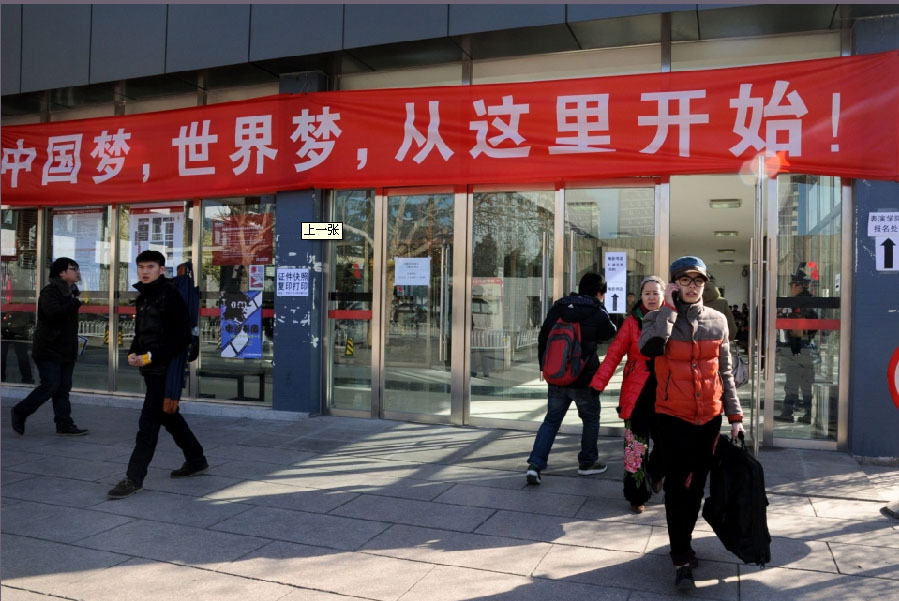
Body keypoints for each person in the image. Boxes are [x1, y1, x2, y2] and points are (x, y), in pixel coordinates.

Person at [639, 256, 744, 591]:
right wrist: (668, 310)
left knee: (696, 488)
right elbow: (650, 349)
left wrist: (735, 416)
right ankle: (681, 558)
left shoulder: (718, 321)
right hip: (672, 417)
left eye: (697, 280)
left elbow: (725, 373)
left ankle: (682, 541)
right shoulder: (656, 318)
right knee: (677, 489)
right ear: (674, 284)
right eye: (684, 280)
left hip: (709, 418)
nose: (692, 286)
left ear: (705, 284)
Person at [107, 250, 207, 499]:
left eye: (150, 266)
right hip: (151, 368)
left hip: (164, 369)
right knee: (169, 416)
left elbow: (181, 337)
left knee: (148, 424)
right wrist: (133, 352)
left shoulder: (169, 295)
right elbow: (142, 332)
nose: (144, 271)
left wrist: (150, 356)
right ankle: (196, 459)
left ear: (162, 270)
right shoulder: (145, 296)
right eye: (141, 266)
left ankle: (133, 478)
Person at [526, 272, 617, 485]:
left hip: (557, 377)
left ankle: (535, 465)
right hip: (584, 378)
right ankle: (587, 462)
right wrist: (601, 311)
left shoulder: (559, 307)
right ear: (599, 293)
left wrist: (544, 367)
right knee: (591, 419)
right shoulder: (597, 311)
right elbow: (609, 333)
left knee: (551, 420)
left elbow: (544, 336)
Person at [590, 276, 666, 513]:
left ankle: (655, 472)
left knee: (667, 443)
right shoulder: (632, 323)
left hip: (668, 392)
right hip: (638, 393)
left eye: (656, 293)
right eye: (647, 293)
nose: (652, 297)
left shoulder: (673, 320)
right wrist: (598, 383)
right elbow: (613, 354)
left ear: (663, 296)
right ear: (641, 297)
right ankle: (636, 496)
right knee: (636, 447)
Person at [9, 258, 87, 436]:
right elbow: (54, 314)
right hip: (48, 349)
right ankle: (20, 411)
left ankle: (64, 424)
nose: (77, 272)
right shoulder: (49, 292)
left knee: (63, 389)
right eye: (73, 269)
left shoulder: (71, 292)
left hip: (66, 350)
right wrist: (75, 303)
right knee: (50, 385)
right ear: (62, 273)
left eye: (77, 268)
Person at [774, 267, 818, 424]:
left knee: (793, 382)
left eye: (793, 285)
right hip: (806, 349)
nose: (791, 288)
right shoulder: (808, 302)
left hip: (799, 348)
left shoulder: (801, 304)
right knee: (805, 383)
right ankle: (806, 413)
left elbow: (801, 327)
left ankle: (788, 412)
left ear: (800, 286)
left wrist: (785, 318)